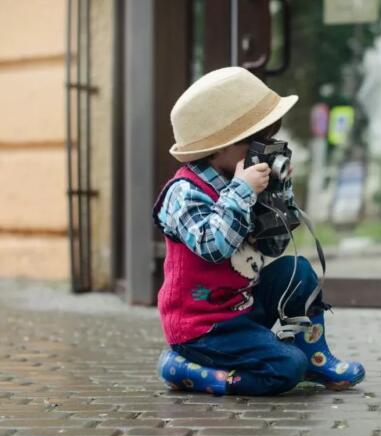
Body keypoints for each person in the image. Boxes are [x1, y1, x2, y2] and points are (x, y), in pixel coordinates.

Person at [153, 67, 365, 396]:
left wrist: (278, 193)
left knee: (299, 271)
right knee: (285, 367)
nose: (262, 150)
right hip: (204, 327)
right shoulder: (183, 193)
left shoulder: (243, 182)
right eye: (256, 142)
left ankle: (314, 355)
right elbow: (214, 247)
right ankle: (189, 370)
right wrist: (241, 190)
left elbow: (274, 247)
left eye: (267, 140)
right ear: (218, 147)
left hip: (243, 305)